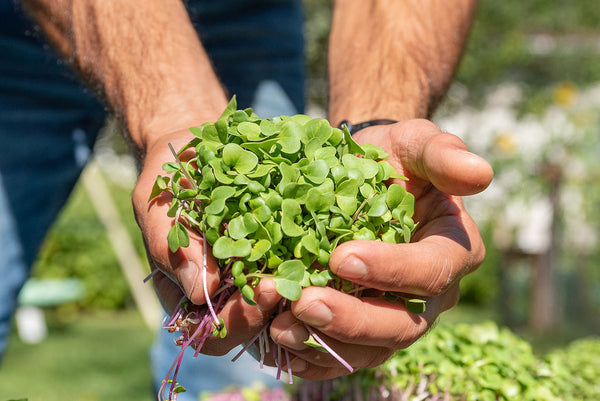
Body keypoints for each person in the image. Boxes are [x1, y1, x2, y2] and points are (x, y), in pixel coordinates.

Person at [0, 0, 492, 398]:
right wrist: (174, 114)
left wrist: (375, 127)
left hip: (247, 13)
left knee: (253, 356)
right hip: (16, 32)